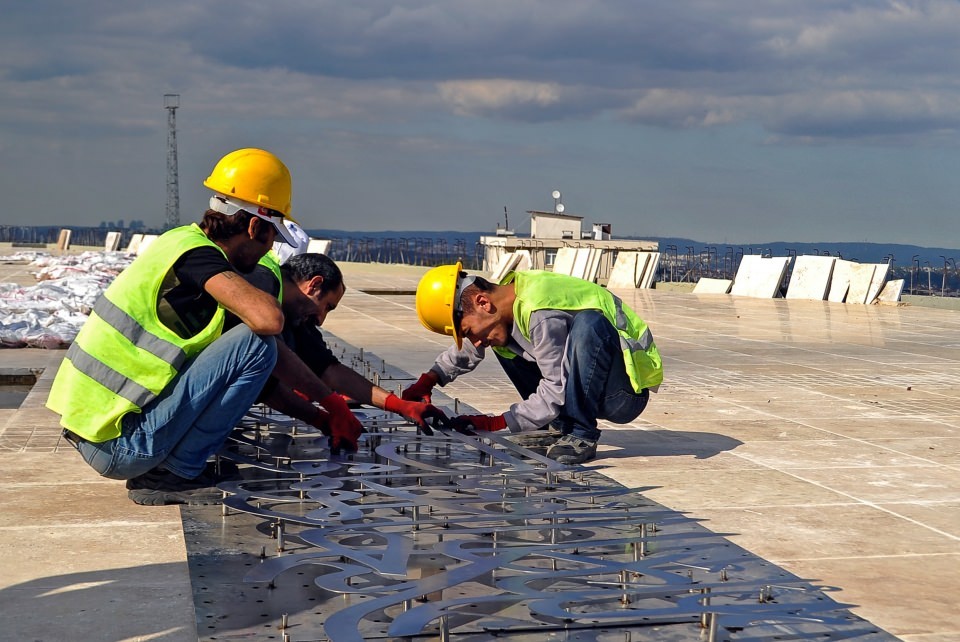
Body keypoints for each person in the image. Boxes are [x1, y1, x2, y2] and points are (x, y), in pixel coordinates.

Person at [46, 148, 361, 506]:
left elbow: (272, 369)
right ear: (254, 225)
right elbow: (268, 323)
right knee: (257, 342)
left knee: (258, 345)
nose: (269, 250)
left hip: (103, 429)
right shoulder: (196, 256)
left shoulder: (179, 243)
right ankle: (173, 473)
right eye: (270, 238)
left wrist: (328, 410)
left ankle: (170, 466)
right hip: (122, 442)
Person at [403, 262, 663, 464]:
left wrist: (496, 423)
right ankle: (559, 425)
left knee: (588, 324)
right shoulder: (506, 300)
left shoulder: (539, 311)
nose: (474, 340)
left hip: (624, 394)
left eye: (468, 330)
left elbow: (555, 387)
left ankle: (581, 433)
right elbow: (472, 347)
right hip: (591, 384)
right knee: (498, 339)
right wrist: (429, 381)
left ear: (482, 302)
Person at [234, 251, 447, 438]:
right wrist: (332, 407)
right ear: (314, 285)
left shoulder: (295, 318)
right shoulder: (260, 283)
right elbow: (271, 370)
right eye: (327, 306)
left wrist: (399, 405)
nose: (321, 319)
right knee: (264, 348)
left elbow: (330, 371)